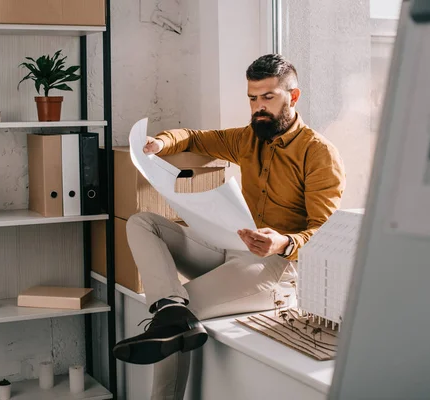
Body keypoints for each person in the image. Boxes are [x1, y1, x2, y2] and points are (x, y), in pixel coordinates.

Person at [113, 53, 346, 399]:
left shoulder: (318, 154)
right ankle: (168, 305)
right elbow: (194, 138)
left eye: (268, 97)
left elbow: (326, 239)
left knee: (176, 323)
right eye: (252, 98)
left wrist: (282, 242)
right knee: (143, 222)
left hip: (278, 270)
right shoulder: (247, 139)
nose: (258, 107)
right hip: (231, 247)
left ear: (293, 97)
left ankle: (170, 326)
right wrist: (160, 143)